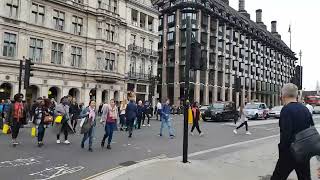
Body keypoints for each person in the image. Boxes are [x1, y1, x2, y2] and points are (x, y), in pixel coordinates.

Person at [271, 83, 314, 180]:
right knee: (305, 177)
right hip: (304, 152)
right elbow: (311, 129)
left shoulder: (286, 110)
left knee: (277, 177)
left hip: (290, 153)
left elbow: (286, 135)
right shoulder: (305, 109)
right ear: (296, 95)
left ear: (283, 95)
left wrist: (282, 153)